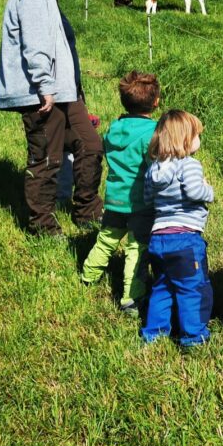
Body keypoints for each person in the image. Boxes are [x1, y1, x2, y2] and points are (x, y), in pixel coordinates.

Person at [0, 0, 103, 236]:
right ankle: (42, 226)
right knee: (46, 158)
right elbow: (35, 45)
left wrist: (75, 92)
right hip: (44, 94)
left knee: (91, 144)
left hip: (65, 94)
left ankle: (87, 212)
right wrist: (45, 86)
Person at [80, 72, 161, 314]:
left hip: (114, 199)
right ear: (156, 102)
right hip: (140, 204)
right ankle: (131, 297)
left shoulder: (114, 128)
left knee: (106, 239)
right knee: (136, 248)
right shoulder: (153, 133)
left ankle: (88, 275)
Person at [140, 110, 214, 347]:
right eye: (197, 135)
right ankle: (193, 335)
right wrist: (208, 191)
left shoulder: (154, 168)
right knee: (192, 288)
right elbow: (194, 192)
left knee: (162, 286)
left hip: (159, 237)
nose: (199, 139)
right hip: (185, 239)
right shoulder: (189, 164)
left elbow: (147, 198)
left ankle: (154, 333)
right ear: (185, 139)